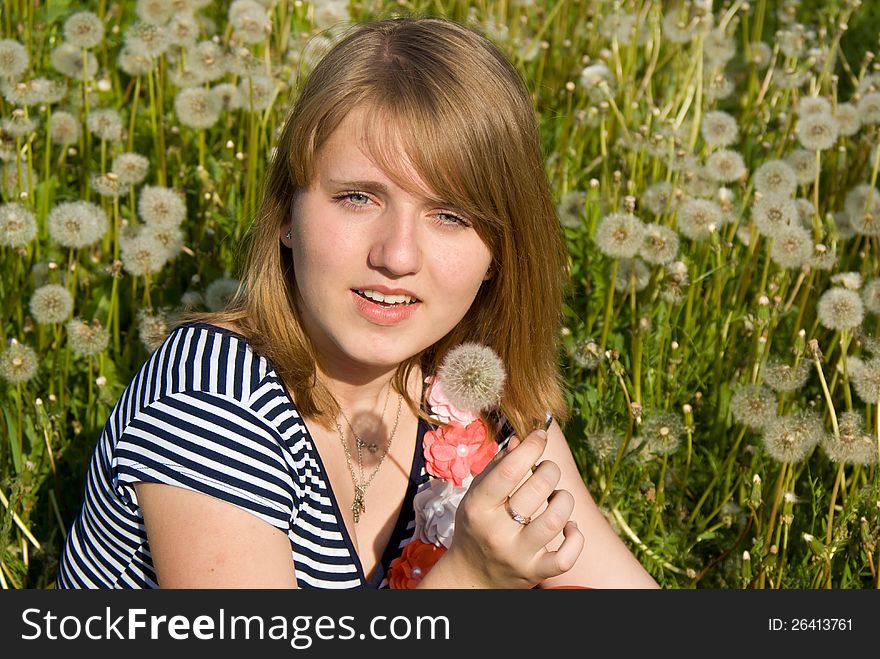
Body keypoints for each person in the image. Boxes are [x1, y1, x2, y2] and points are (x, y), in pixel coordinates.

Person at [57, 17, 658, 589]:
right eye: (357, 199)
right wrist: (471, 578)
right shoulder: (213, 402)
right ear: (287, 213)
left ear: (498, 250)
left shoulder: (476, 394)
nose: (397, 256)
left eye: (449, 215)